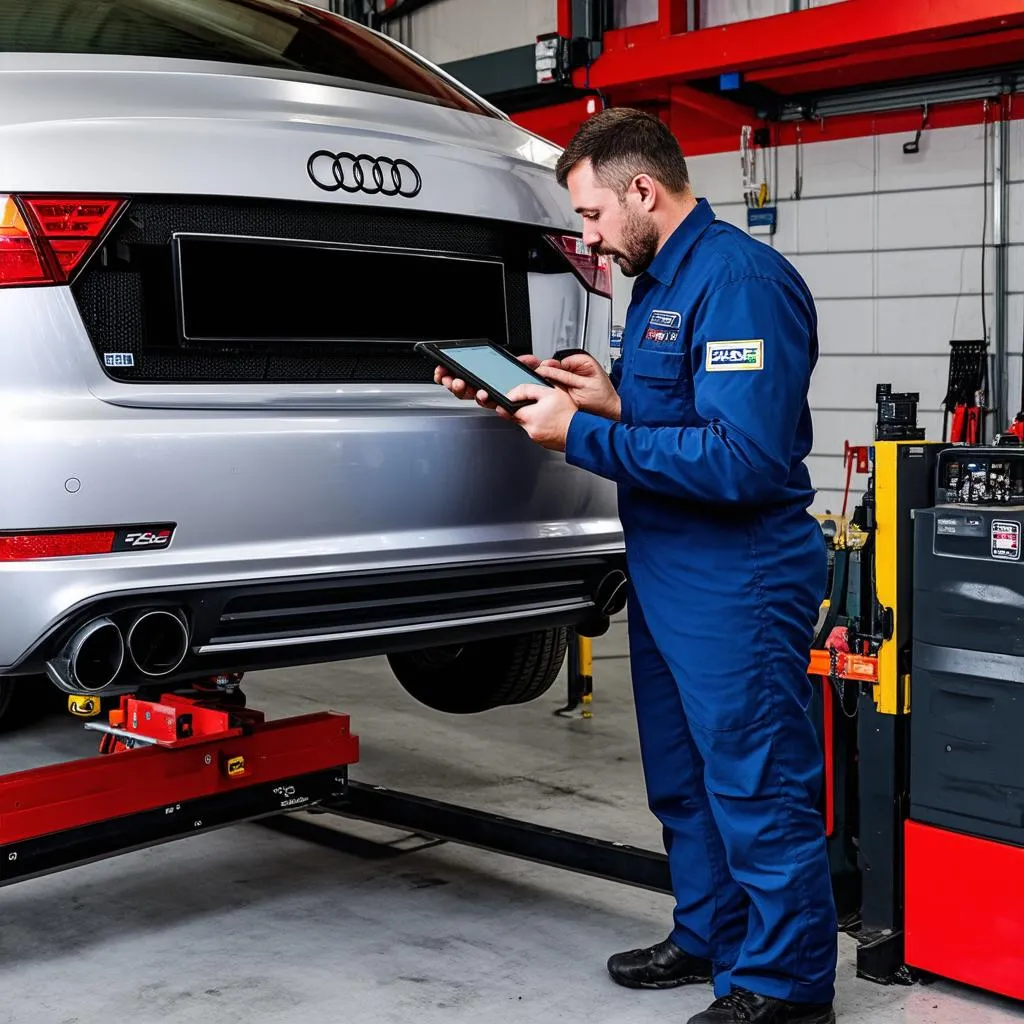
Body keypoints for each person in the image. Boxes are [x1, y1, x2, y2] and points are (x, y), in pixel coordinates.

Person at [435, 107, 836, 1024]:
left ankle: (786, 989)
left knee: (756, 781)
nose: (588, 238)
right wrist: (597, 398)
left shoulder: (740, 282)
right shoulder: (658, 281)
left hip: (739, 573)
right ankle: (709, 935)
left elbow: (742, 459)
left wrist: (578, 437)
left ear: (643, 191)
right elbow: (675, 419)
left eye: (591, 216)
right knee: (683, 777)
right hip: (668, 565)